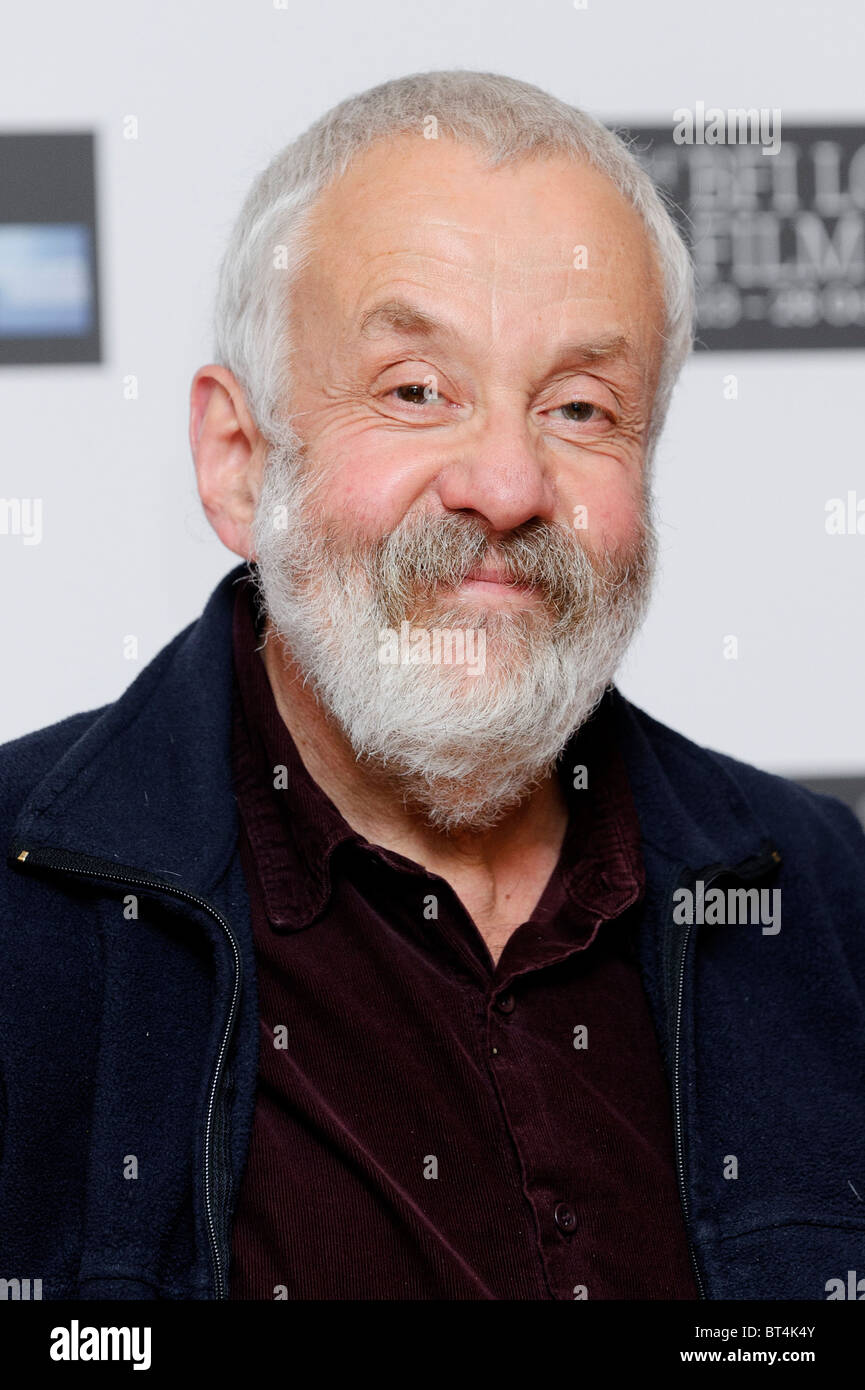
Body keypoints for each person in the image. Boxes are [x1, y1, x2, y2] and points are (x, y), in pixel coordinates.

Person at [1, 70, 863, 1302]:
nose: (506, 485)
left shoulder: (820, 901)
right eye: (416, 391)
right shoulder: (24, 911)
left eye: (579, 407)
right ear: (240, 464)